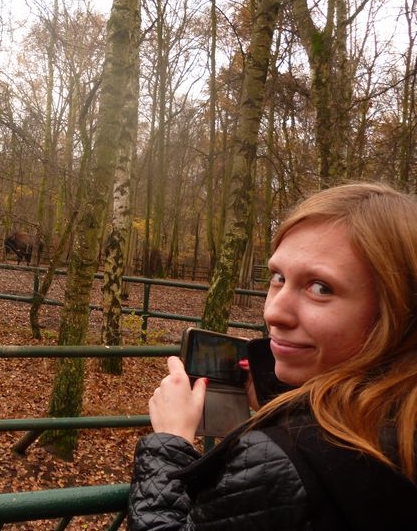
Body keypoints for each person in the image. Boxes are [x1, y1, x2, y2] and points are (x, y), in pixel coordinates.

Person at [128, 182, 417, 530]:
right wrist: (275, 391)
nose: (273, 312)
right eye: (278, 277)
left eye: (320, 288)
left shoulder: (278, 464)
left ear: (398, 311)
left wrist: (170, 442)